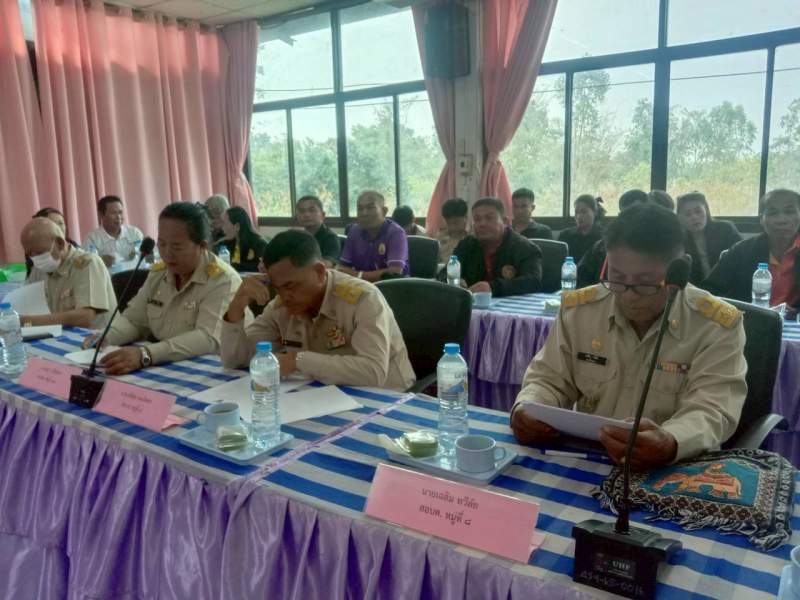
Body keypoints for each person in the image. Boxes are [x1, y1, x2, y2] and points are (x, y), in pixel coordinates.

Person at [511, 203, 746, 470]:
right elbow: (549, 379)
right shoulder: (580, 311)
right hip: (593, 457)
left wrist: (671, 441)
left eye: (645, 283)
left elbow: (712, 409)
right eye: (617, 277)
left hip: (677, 465)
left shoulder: (715, 325)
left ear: (679, 270)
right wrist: (529, 407)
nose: (628, 295)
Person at [220, 230, 415, 391]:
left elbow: (373, 373)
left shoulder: (363, 299)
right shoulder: (281, 306)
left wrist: (298, 361)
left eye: (291, 286)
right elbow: (235, 361)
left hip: (389, 397)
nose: (285, 296)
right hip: (326, 395)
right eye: (277, 288)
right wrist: (236, 308)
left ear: (320, 272)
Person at [81, 202, 241, 375]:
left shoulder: (222, 280)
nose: (167, 253)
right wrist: (108, 336)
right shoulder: (158, 274)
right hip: (168, 365)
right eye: (162, 244)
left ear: (202, 246)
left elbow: (207, 338)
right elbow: (135, 320)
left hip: (213, 372)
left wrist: (146, 354)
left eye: (176, 247)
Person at [703, 188, 800, 312]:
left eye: (789, 212)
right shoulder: (742, 251)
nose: (781, 220)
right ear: (761, 220)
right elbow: (709, 291)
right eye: (772, 213)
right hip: (749, 319)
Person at [21, 217, 116, 329]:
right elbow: (27, 304)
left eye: (40, 252)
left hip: (99, 335)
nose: (36, 259)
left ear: (60, 243)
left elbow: (85, 317)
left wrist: (28, 321)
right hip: (59, 334)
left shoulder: (87, 263)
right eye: (30, 254)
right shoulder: (38, 269)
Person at [442, 197, 543, 297]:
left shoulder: (525, 248)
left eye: (489, 218)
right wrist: (453, 281)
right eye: (477, 219)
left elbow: (533, 281)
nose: (482, 224)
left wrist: (492, 287)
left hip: (511, 305)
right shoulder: (467, 245)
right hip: (473, 304)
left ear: (505, 221)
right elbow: (443, 274)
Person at [577, 189, 649, 288]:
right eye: (627, 215)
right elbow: (579, 277)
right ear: (620, 216)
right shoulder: (602, 247)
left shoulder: (658, 249)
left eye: (637, 214)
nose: (632, 220)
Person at [338, 190, 408, 282]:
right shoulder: (354, 231)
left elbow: (394, 272)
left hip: (392, 287)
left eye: (370, 208)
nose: (364, 213)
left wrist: (358, 275)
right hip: (360, 286)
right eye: (360, 209)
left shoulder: (396, 233)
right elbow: (342, 268)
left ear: (384, 211)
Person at [677, 191, 742, 284]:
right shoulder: (678, 239)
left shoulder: (725, 229)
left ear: (706, 211)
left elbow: (743, 256)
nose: (694, 217)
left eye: (698, 211)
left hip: (728, 284)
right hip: (696, 288)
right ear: (680, 218)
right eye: (688, 214)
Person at [84, 196, 145, 268]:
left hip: (137, 273)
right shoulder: (92, 239)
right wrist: (100, 261)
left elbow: (147, 259)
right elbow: (87, 265)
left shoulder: (134, 233)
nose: (118, 217)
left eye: (120, 213)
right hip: (109, 275)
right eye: (113, 213)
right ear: (101, 215)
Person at [26, 208, 80, 276]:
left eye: (61, 223)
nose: (58, 228)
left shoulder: (79, 256)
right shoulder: (36, 254)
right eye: (53, 224)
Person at [218, 206, 268, 273]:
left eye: (225, 224)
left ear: (237, 226)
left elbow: (259, 267)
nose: (222, 228)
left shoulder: (259, 244)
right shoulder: (226, 244)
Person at [558, 195, 606, 263]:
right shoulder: (565, 235)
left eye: (583, 212)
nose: (579, 216)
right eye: (576, 212)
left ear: (595, 212)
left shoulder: (604, 237)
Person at [296, 195, 340, 267]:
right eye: (302, 211)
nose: (306, 215)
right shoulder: (297, 237)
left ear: (323, 215)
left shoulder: (330, 237)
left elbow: (328, 264)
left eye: (311, 210)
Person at [437, 197, 469, 263]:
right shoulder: (440, 237)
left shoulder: (472, 238)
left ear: (465, 217)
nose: (452, 227)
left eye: (456, 223)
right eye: (448, 223)